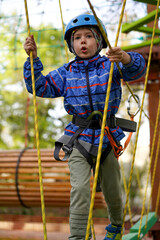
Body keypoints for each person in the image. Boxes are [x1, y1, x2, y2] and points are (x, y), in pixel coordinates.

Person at [23, 14, 146, 240]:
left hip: (107, 139)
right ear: (72, 45)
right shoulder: (66, 73)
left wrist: (126, 58)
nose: (83, 41)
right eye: (77, 38)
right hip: (78, 139)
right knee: (79, 189)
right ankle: (79, 237)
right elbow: (39, 86)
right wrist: (33, 60)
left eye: (89, 36)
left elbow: (137, 71)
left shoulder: (111, 64)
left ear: (99, 42)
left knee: (112, 191)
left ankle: (116, 227)